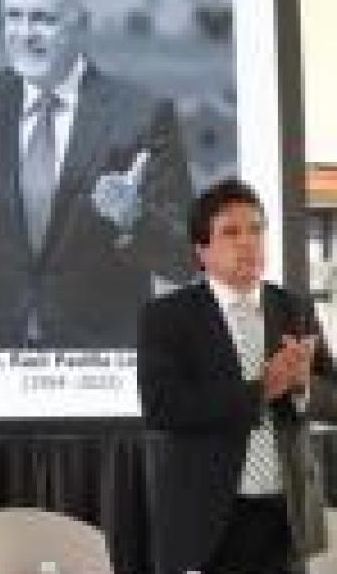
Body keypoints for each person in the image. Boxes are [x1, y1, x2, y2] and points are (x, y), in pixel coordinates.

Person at [0, 0, 194, 349]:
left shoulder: (142, 116)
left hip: (100, 361)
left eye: (42, 18)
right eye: (14, 16)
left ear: (81, 21)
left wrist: (135, 218)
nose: (25, 34)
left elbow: (186, 259)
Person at [138, 178, 337, 574]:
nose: (248, 242)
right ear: (202, 250)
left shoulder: (293, 308)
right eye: (231, 232)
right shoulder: (168, 316)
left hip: (285, 515)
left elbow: (333, 399)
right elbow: (163, 408)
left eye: (256, 230)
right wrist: (263, 389)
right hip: (209, 518)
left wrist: (303, 386)